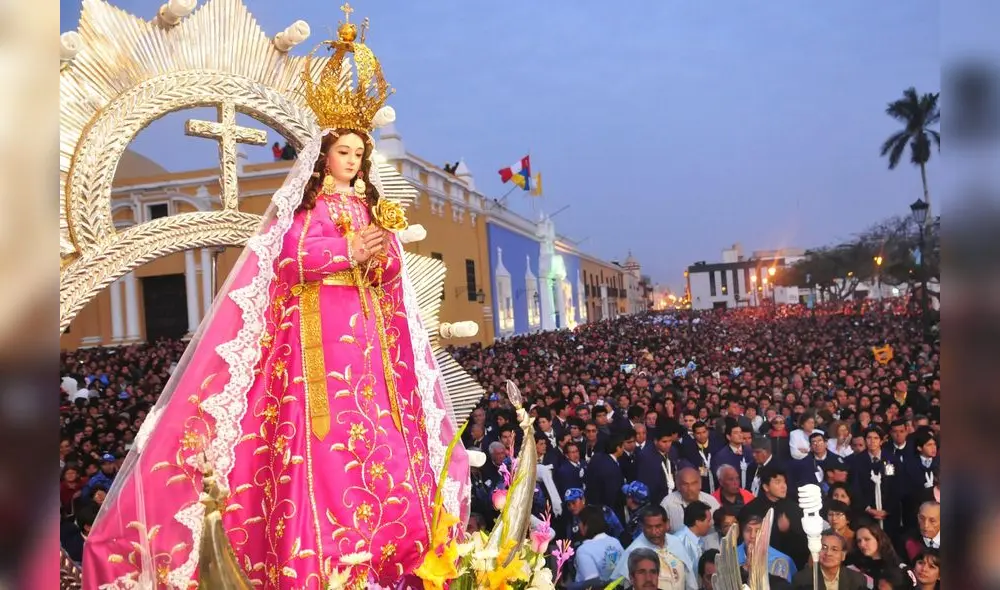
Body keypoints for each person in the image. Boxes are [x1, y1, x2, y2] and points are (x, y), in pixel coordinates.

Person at [81, 10, 470, 589]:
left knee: (381, 438)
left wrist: (379, 255)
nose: (353, 162)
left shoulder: (370, 210)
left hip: (366, 342)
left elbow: (390, 275)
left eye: (359, 154)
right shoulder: (307, 213)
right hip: (317, 343)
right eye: (343, 153)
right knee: (318, 443)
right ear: (322, 158)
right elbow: (291, 261)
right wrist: (346, 252)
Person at [790, 530, 865, 589]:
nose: (828, 553)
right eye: (824, 548)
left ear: (843, 555)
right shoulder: (801, 579)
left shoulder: (857, 580)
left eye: (834, 549)